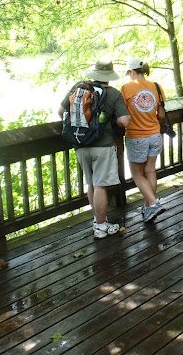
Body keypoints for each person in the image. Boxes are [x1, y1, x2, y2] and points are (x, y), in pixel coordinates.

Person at [58, 61, 131, 239]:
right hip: (103, 145)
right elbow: (125, 121)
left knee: (92, 183)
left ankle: (99, 220)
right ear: (109, 76)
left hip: (80, 144)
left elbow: (60, 111)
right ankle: (100, 226)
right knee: (100, 186)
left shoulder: (79, 87)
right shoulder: (113, 93)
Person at [120, 57, 167, 223]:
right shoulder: (156, 86)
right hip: (155, 134)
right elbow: (161, 114)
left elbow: (121, 114)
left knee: (137, 174)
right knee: (150, 171)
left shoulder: (126, 89)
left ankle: (153, 203)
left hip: (136, 136)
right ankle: (148, 208)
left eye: (129, 73)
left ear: (132, 72)